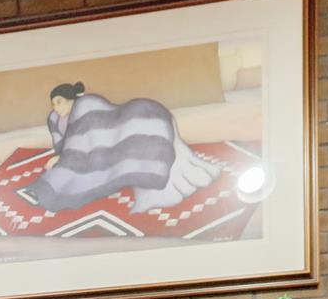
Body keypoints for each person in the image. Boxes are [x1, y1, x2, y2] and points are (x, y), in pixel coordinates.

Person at [21, 80, 216, 215]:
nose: (55, 107)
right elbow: (68, 143)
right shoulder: (55, 119)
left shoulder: (86, 106)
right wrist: (60, 154)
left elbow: (92, 137)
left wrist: (63, 159)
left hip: (109, 141)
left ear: (71, 99)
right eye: (53, 104)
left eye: (59, 102)